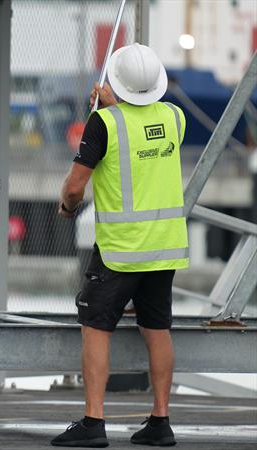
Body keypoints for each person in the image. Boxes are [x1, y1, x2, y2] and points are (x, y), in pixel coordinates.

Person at [51, 43, 188, 448]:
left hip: (120, 250)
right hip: (165, 247)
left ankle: (94, 422)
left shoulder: (103, 124)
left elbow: (76, 187)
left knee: (96, 327)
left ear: (117, 83)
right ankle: (160, 422)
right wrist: (115, 104)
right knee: (157, 328)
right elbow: (142, 131)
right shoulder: (175, 118)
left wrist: (65, 206)